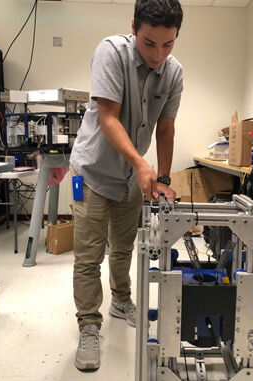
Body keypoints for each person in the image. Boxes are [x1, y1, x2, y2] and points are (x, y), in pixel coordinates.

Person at [69, 0, 183, 371]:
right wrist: (141, 164)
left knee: (123, 248)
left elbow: (165, 128)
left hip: (132, 180)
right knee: (89, 256)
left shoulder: (174, 72)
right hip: (93, 173)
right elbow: (108, 117)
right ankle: (88, 324)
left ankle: (121, 299)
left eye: (168, 45)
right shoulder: (110, 53)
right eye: (150, 43)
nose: (158, 54)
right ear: (133, 26)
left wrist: (162, 179)